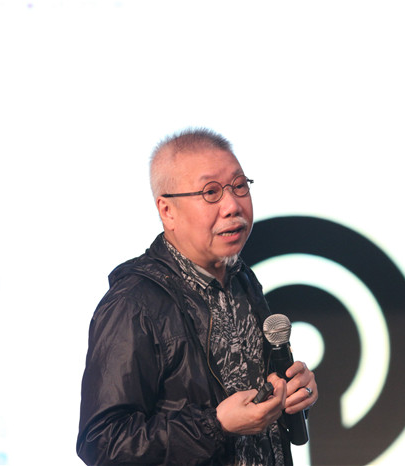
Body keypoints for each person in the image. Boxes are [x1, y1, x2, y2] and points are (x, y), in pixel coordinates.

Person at [76, 128, 318, 465]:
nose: (232, 205)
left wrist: (291, 396)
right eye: (211, 192)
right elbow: (102, 444)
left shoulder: (242, 278)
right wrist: (215, 426)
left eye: (239, 186)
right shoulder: (134, 302)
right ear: (167, 211)